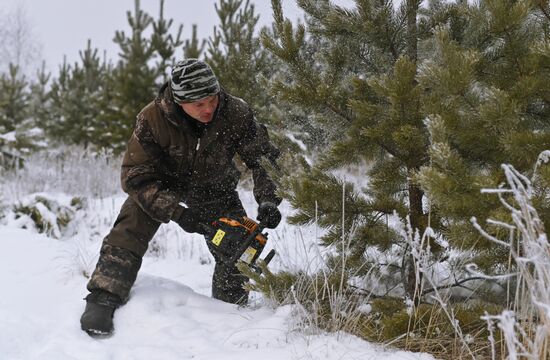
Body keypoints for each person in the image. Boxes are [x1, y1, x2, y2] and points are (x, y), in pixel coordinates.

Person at [80, 59, 282, 337]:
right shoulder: (152, 118)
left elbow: (263, 160)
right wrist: (179, 213)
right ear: (179, 101)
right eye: (199, 104)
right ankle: (104, 294)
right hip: (164, 185)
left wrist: (268, 199)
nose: (208, 108)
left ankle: (232, 312)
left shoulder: (235, 112)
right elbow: (135, 177)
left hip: (216, 189)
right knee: (132, 222)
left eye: (211, 99)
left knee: (238, 246)